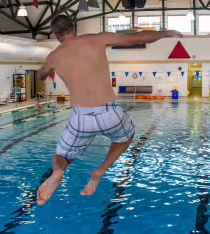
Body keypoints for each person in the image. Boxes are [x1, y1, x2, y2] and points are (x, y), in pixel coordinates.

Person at [35, 15, 182, 204]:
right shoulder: (97, 39)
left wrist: (45, 67)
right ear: (74, 27)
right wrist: (165, 33)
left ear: (56, 35)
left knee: (62, 156)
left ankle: (56, 173)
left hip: (81, 118)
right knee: (126, 137)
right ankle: (100, 170)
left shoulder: (53, 56)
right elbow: (138, 38)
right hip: (109, 112)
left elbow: (41, 75)